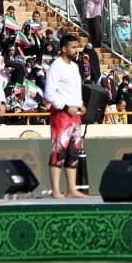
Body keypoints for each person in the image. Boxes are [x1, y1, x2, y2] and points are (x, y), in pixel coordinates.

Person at [44, 34, 87, 198]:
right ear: (63, 48)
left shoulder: (74, 67)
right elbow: (49, 93)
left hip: (75, 114)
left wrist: (81, 104)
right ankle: (55, 190)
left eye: (76, 47)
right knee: (59, 151)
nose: (76, 50)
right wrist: (66, 106)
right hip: (61, 114)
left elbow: (76, 90)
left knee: (73, 152)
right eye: (73, 47)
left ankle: (71, 188)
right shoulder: (56, 66)